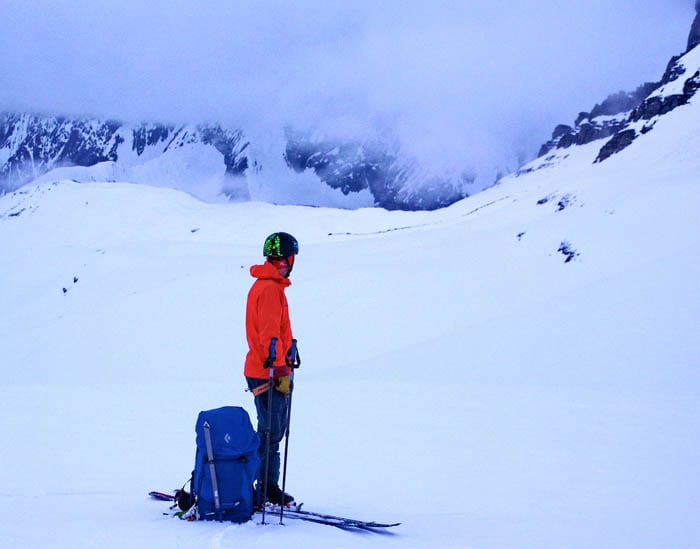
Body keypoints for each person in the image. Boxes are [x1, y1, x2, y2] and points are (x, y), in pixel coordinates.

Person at [244, 232, 299, 507]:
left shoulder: (271, 286)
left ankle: (266, 485)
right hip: (269, 371)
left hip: (275, 368)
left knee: (272, 433)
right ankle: (263, 487)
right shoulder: (269, 290)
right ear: (286, 259)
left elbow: (276, 334)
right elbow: (268, 337)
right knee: (269, 433)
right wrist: (279, 369)